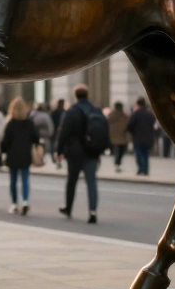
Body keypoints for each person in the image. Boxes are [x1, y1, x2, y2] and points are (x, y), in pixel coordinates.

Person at [56, 84, 102, 223]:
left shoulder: (72, 111)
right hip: (92, 151)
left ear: (75, 96)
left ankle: (68, 208)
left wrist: (59, 150)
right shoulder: (95, 110)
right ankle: (92, 212)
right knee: (91, 182)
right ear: (87, 95)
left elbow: (64, 132)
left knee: (72, 181)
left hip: (74, 152)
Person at [1, 97, 40, 215]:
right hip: (25, 154)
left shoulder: (10, 124)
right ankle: (25, 201)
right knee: (25, 179)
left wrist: (3, 152)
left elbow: (5, 142)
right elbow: (36, 138)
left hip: (12, 155)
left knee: (13, 181)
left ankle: (14, 204)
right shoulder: (29, 123)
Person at [127, 97, 157, 176]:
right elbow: (154, 125)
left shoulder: (136, 114)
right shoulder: (150, 114)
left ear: (138, 104)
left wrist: (133, 132)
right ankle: (145, 169)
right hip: (148, 138)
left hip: (138, 138)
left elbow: (129, 125)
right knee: (146, 154)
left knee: (139, 154)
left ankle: (141, 169)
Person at [107, 100, 128, 173]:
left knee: (116, 151)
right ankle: (118, 163)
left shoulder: (111, 115)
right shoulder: (124, 116)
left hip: (113, 137)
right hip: (122, 137)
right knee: (120, 152)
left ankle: (117, 164)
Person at [50, 98, 67, 169]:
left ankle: (56, 160)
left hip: (56, 132)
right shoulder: (64, 112)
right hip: (61, 133)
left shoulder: (55, 112)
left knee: (55, 147)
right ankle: (58, 161)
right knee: (59, 148)